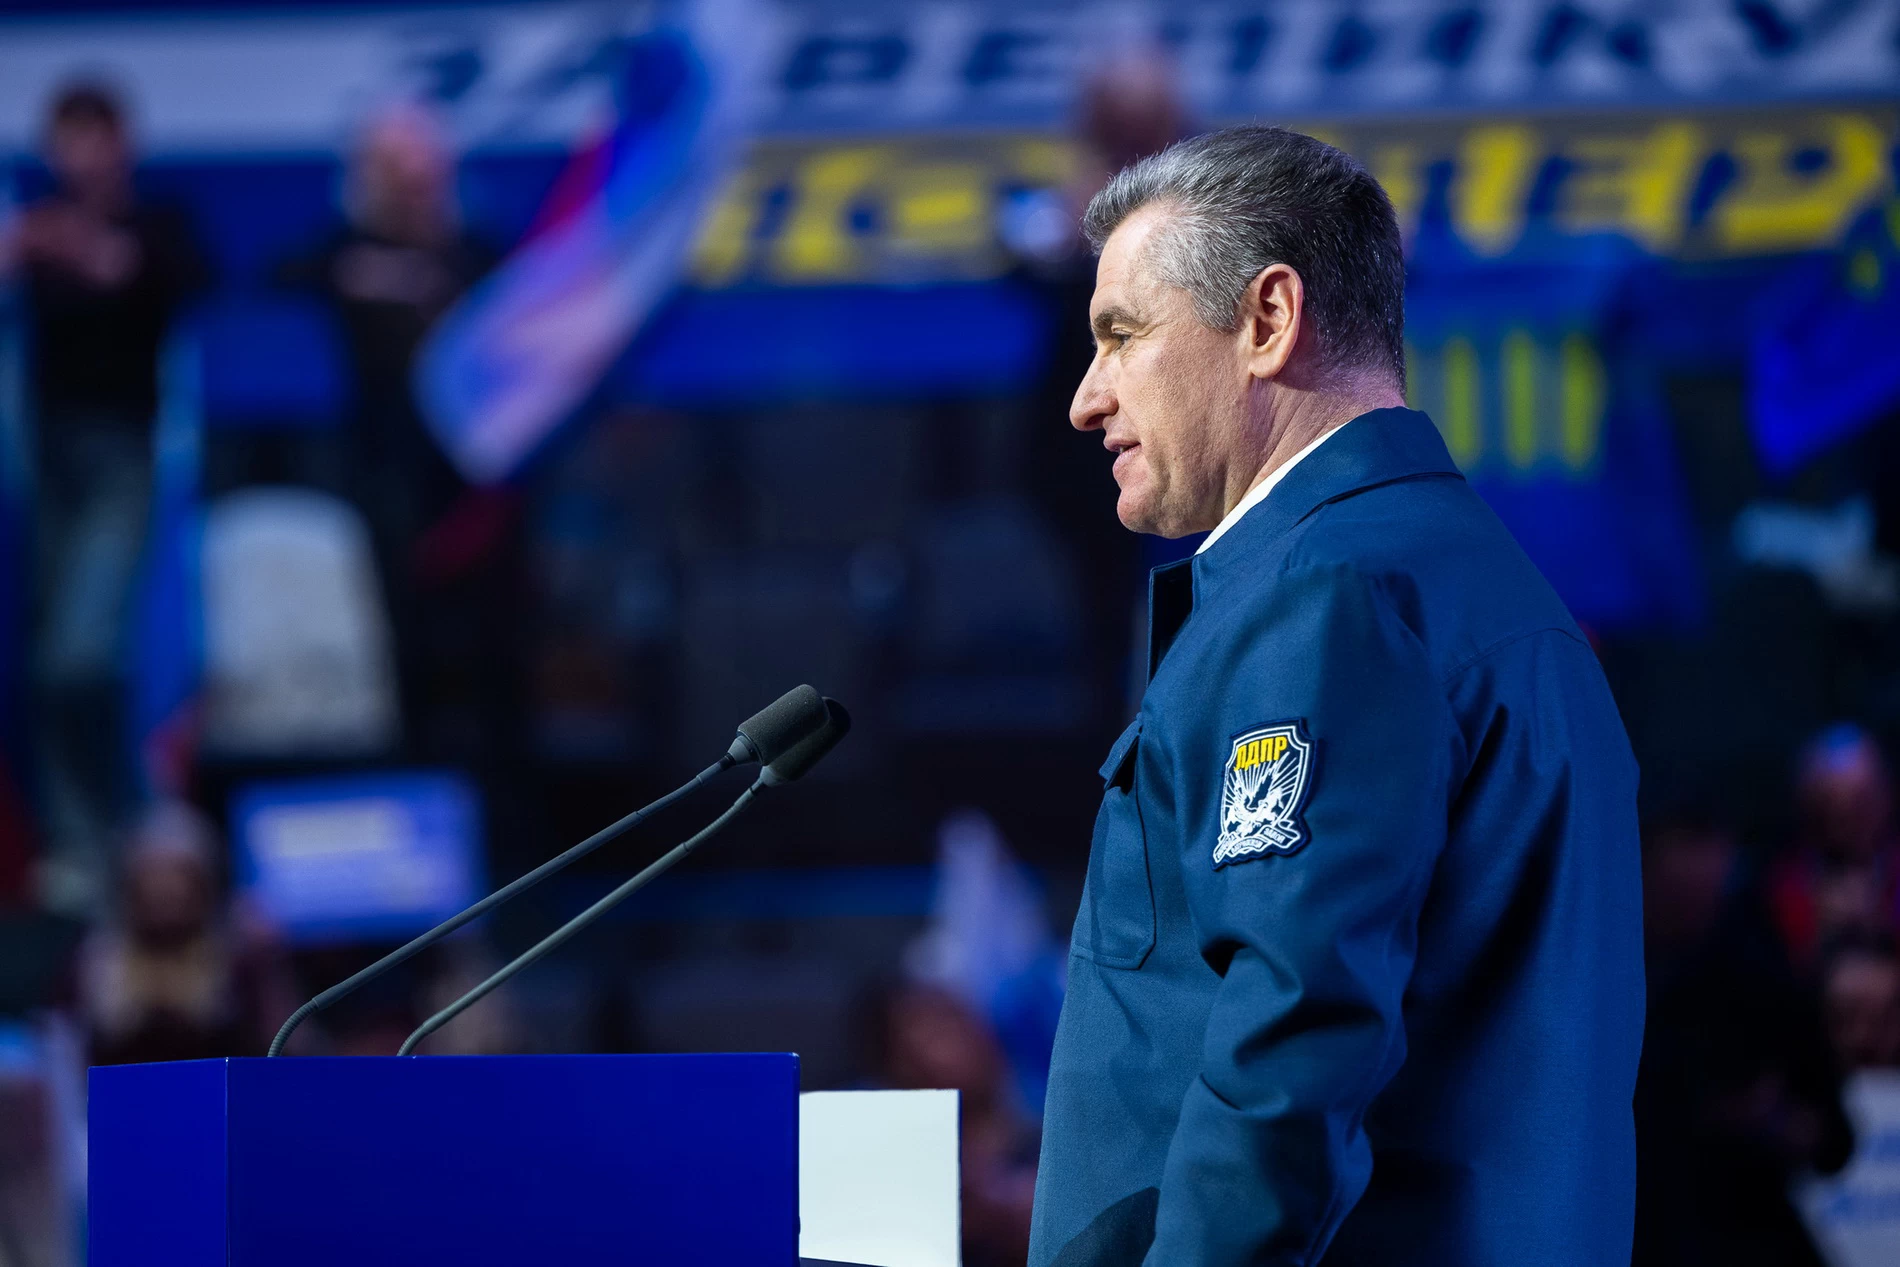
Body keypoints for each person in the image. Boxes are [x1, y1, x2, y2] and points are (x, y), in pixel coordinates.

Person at [1030, 126, 1644, 1265]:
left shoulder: (1326, 596)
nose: (1086, 398)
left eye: (1120, 336)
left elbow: (1295, 1038)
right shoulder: (1459, 581)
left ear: (1267, 319)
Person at [5, 82, 206, 912]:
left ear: (123, 142)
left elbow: (149, 275)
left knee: (84, 654)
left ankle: (130, 823)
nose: (79, 156)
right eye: (66, 139)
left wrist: (74, 244)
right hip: (39, 464)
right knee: (43, 660)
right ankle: (78, 843)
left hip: (125, 460)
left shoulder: (158, 225)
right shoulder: (31, 227)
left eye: (94, 137)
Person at [1633, 810, 1852, 1267]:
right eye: (1673, 884)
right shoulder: (1605, 985)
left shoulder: (1765, 985)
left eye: (1707, 867)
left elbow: (1834, 1139)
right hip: (1639, 1227)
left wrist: (1772, 1123)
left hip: (1742, 1231)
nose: (1694, 888)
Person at [73, 800, 296, 1066]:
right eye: (154, 874)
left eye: (178, 872)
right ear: (130, 887)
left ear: (204, 884)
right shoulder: (98, 963)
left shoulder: (239, 959)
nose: (166, 889)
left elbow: (289, 1050)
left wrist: (268, 969)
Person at [1769, 723, 1900, 972]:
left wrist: (1880, 923)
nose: (1847, 819)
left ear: (1885, 796)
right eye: (1830, 803)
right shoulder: (1784, 886)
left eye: (1860, 802)